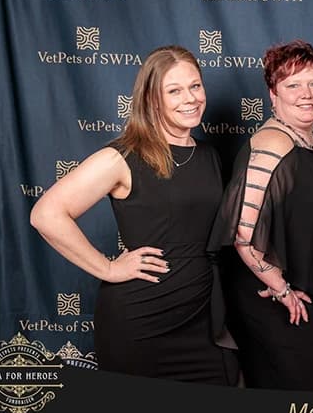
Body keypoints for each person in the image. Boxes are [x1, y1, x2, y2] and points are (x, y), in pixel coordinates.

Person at [30, 45, 239, 385]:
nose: (190, 98)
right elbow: (46, 214)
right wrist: (108, 268)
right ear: (152, 99)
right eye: (174, 90)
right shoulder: (124, 157)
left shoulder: (209, 156)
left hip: (203, 323)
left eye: (195, 86)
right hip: (142, 325)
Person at [208, 39, 313, 391]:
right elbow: (243, 235)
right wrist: (281, 289)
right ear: (273, 94)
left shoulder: (311, 141)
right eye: (293, 85)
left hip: (306, 289)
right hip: (273, 299)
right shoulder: (274, 144)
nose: (306, 93)